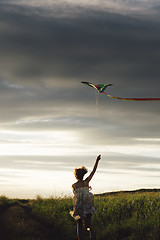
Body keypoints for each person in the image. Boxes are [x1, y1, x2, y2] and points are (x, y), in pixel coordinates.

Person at [70, 155, 101, 240]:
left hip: (79, 206)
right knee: (88, 225)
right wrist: (97, 160)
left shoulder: (74, 186)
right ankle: (91, 237)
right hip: (87, 205)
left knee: (79, 225)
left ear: (76, 175)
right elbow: (94, 171)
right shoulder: (86, 182)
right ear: (83, 175)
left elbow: (76, 196)